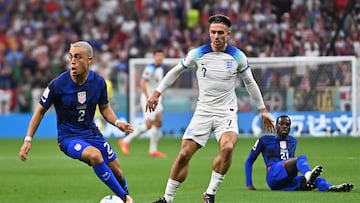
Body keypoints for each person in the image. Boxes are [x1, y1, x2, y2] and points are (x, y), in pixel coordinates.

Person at [148, 14, 275, 203]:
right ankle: (167, 199)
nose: (216, 36)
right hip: (203, 112)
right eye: (213, 32)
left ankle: (210, 193)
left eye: (221, 33)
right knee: (183, 154)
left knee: (228, 148)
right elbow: (175, 71)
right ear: (209, 33)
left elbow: (250, 83)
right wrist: (157, 92)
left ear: (228, 34)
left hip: (227, 113)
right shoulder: (197, 54)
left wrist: (262, 109)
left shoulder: (237, 56)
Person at [18, 41, 135, 203]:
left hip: (92, 133)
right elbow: (40, 111)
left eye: (78, 57)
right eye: (71, 56)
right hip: (69, 138)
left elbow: (105, 109)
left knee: (117, 171)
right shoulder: (58, 84)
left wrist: (117, 123)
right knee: (95, 156)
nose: (73, 61)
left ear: (89, 60)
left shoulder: (98, 82)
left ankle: (128, 197)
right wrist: (28, 139)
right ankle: (125, 198)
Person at [245, 115, 354, 192]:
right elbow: (249, 162)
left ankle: (331, 188)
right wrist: (249, 184)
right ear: (276, 126)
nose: (285, 126)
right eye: (281, 124)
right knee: (300, 159)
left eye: (287, 124)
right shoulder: (264, 140)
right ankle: (308, 175)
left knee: (318, 180)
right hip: (273, 175)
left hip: (288, 181)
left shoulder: (293, 141)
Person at [118, 49, 167, 157]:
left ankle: (153, 150)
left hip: (156, 99)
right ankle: (125, 141)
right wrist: (147, 96)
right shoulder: (150, 68)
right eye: (157, 56)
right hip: (149, 99)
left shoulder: (160, 69)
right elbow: (142, 82)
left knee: (158, 122)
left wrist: (160, 93)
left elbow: (157, 84)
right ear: (154, 57)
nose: (159, 58)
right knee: (149, 124)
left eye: (161, 56)